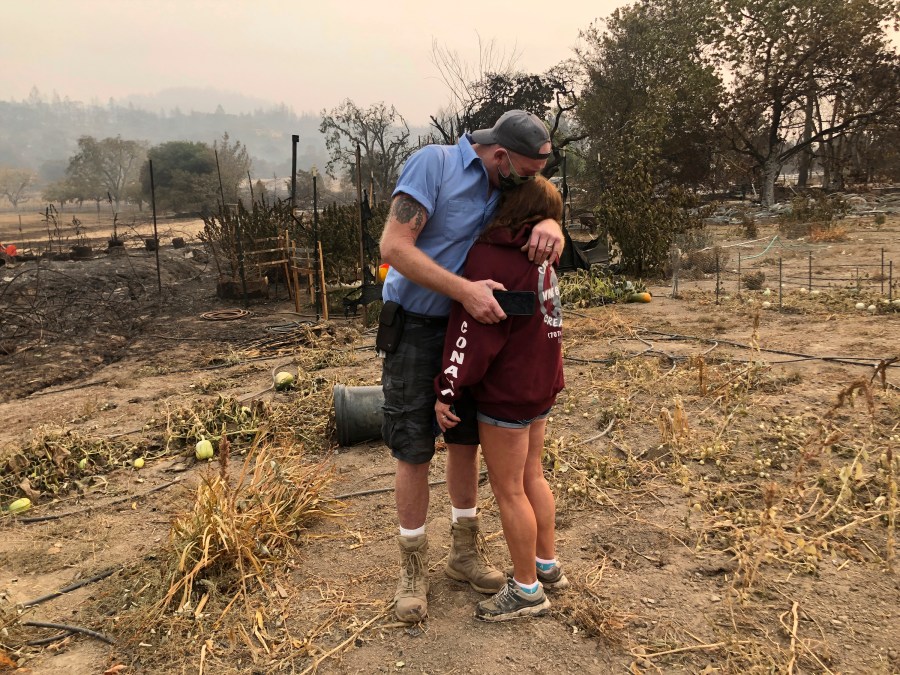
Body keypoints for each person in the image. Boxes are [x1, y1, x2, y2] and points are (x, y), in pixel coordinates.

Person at [379, 110, 564, 623]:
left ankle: (464, 554)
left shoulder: (504, 185)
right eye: (525, 173)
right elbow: (393, 247)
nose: (527, 182)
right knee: (414, 445)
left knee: (465, 443)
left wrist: (553, 223)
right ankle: (413, 565)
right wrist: (465, 291)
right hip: (418, 324)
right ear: (500, 157)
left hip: (473, 329)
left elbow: (537, 204)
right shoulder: (432, 166)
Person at [435, 175, 568, 622]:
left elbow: (471, 336)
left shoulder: (490, 258)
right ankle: (547, 566)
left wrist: (447, 390)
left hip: (507, 393)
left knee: (509, 489)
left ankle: (527, 589)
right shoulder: (543, 258)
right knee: (533, 475)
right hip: (540, 386)